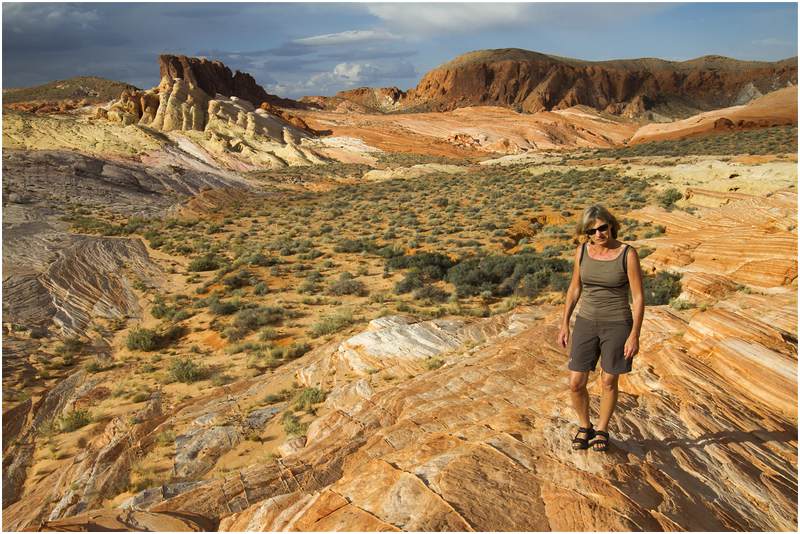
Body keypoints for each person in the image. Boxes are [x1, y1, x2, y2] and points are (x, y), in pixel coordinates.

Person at [557, 205, 644, 452]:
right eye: (592, 230)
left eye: (602, 228)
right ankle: (585, 426)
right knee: (575, 381)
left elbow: (637, 298)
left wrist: (634, 334)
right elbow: (575, 289)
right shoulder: (582, 252)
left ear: (611, 225)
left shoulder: (627, 254)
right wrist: (564, 322)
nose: (598, 234)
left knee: (608, 380)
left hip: (617, 322)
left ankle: (602, 429)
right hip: (586, 320)